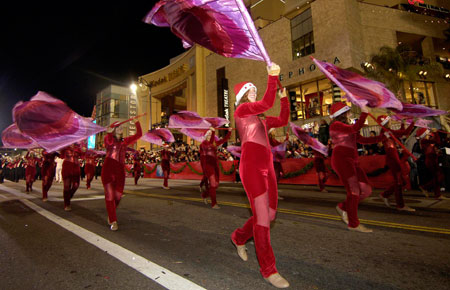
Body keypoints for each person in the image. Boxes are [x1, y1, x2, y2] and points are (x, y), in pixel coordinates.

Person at [230, 63, 290, 288]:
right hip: (251, 168)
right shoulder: (241, 111)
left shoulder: (263, 120)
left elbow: (283, 120)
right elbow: (266, 102)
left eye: (255, 88)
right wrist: (272, 78)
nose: (253, 91)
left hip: (269, 168)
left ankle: (238, 237)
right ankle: (269, 269)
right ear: (242, 96)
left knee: (270, 215)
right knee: (263, 219)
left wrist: (284, 98)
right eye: (249, 90)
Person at [329, 102, 382, 233]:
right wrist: (364, 113)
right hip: (342, 161)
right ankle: (353, 224)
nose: (351, 112)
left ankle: (343, 207)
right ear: (343, 113)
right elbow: (354, 129)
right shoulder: (336, 125)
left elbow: (363, 140)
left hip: (353, 161)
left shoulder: (347, 126)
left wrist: (383, 137)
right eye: (349, 111)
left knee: (366, 190)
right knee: (354, 192)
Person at [102, 121, 142, 231]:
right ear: (114, 129)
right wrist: (109, 133)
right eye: (117, 127)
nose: (120, 128)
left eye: (121, 127)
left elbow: (139, 135)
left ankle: (111, 214)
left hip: (120, 170)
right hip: (108, 168)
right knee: (110, 196)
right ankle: (113, 220)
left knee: (118, 196)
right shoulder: (109, 138)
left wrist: (137, 123)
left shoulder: (125, 141)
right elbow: (107, 142)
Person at [376, 116, 416, 211]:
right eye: (389, 120)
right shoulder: (387, 132)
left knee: (401, 181)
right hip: (393, 159)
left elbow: (401, 133)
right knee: (399, 181)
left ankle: (385, 194)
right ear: (386, 122)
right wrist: (413, 122)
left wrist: (403, 123)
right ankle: (400, 205)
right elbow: (405, 133)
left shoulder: (387, 132)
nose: (391, 122)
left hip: (394, 158)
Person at [199, 127, 232, 209]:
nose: (210, 136)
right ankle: (214, 203)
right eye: (209, 134)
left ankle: (204, 195)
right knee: (213, 184)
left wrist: (229, 132)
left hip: (215, 165)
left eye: (211, 134)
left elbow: (224, 140)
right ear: (206, 136)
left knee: (216, 185)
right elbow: (208, 145)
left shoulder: (214, 143)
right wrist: (213, 132)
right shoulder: (203, 144)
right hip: (208, 165)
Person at [417, 128, 447, 199]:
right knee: (438, 177)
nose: (429, 134)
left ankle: (437, 194)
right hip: (430, 161)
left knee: (437, 177)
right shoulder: (424, 141)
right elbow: (437, 141)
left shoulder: (428, 141)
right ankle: (425, 187)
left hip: (434, 159)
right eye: (427, 133)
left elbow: (437, 143)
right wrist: (436, 133)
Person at [61, 144, 83, 211]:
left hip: (76, 167)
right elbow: (61, 156)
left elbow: (82, 156)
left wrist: (83, 150)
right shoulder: (65, 146)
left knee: (76, 185)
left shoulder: (78, 147)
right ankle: (67, 204)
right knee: (67, 186)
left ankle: (68, 197)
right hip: (67, 166)